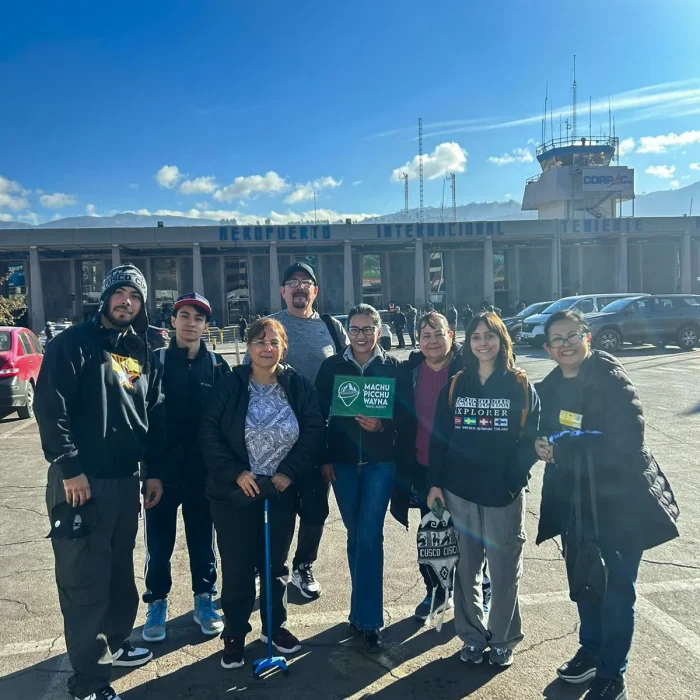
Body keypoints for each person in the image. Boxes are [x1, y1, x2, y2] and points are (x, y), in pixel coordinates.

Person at [35, 264, 166, 700]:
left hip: (125, 481)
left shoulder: (139, 350)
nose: (126, 301)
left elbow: (148, 414)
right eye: (120, 293)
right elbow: (50, 407)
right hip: (81, 483)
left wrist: (150, 471)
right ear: (105, 297)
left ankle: (119, 640)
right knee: (83, 577)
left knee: (117, 568)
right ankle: (87, 679)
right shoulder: (73, 344)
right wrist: (70, 468)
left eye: (135, 295)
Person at [534, 310, 679, 700]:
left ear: (588, 337)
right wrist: (541, 443)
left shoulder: (611, 379)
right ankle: (592, 649)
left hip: (619, 503)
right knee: (586, 578)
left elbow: (627, 440)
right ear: (548, 349)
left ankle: (613, 670)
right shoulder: (549, 386)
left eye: (572, 335)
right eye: (557, 340)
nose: (566, 344)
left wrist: (565, 447)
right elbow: (539, 425)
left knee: (617, 590)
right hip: (577, 503)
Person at [201, 317, 325, 669]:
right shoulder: (231, 385)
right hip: (235, 493)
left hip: (280, 490)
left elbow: (314, 430)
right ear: (248, 346)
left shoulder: (298, 385)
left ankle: (274, 627)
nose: (266, 347)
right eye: (259, 341)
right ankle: (235, 633)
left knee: (275, 564)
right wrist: (236, 472)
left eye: (274, 341)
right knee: (238, 566)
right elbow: (209, 432)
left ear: (283, 347)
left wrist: (288, 473)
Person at [427, 311, 540, 669]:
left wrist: (512, 479)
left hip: (502, 495)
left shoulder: (520, 385)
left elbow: (530, 441)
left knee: (505, 572)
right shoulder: (458, 384)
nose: (482, 343)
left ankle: (503, 639)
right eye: (476, 337)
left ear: (501, 340)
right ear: (469, 343)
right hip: (460, 493)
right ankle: (473, 637)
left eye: (490, 336)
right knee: (465, 570)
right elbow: (439, 438)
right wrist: (435, 483)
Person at [315, 304, 409, 651]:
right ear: (346, 332)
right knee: (355, 536)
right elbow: (317, 416)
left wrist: (383, 424)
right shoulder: (331, 367)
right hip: (341, 464)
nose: (361, 336)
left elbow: (407, 414)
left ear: (379, 331)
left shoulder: (392, 366)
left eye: (368, 329)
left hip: (380, 464)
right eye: (355, 329)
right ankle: (359, 613)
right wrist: (323, 458)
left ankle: (370, 620)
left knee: (370, 536)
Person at [141, 293, 230, 643]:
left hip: (203, 474)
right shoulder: (155, 362)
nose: (191, 323)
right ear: (173, 322)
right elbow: (143, 419)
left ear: (207, 326)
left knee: (202, 542)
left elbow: (227, 422)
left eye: (198, 318)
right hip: (161, 475)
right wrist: (150, 471)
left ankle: (204, 600)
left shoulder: (218, 366)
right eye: (185, 316)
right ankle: (156, 602)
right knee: (159, 544)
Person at [267, 262, 349, 599]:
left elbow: (354, 364)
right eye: (293, 283)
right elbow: (249, 377)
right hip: (276, 439)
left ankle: (304, 566)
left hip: (319, 438)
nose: (300, 288)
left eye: (306, 283)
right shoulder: (271, 327)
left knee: (316, 508)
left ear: (315, 291)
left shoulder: (331, 327)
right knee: (281, 509)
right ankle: (274, 571)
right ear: (283, 291)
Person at [390, 312, 466, 620]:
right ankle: (436, 591)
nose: (432, 341)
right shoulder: (409, 371)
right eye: (425, 336)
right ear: (417, 340)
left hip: (463, 471)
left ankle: (476, 595)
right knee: (432, 537)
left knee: (468, 539)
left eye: (438, 334)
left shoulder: (467, 368)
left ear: (451, 334)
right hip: (423, 468)